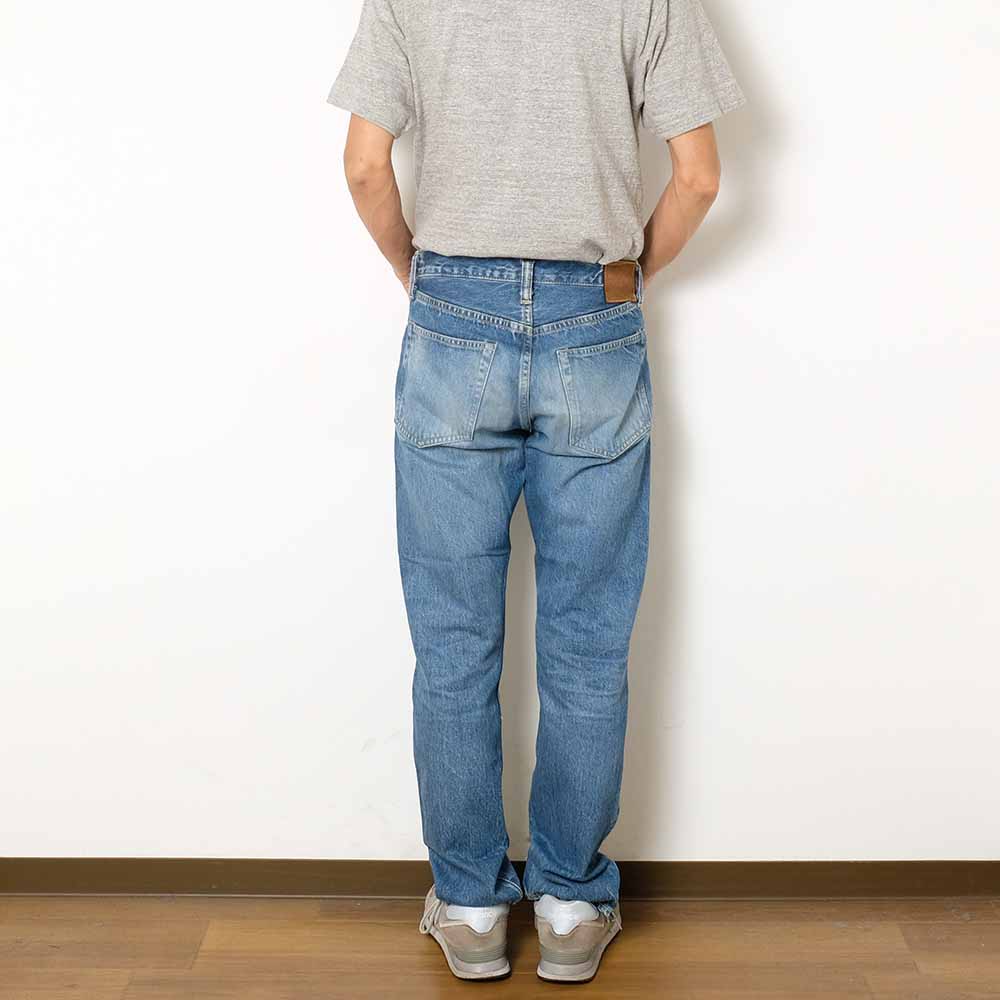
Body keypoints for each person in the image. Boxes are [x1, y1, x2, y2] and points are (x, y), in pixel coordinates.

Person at [328, 0, 744, 983]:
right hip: (593, 316)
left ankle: (472, 905)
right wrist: (626, 281)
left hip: (451, 313)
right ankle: (568, 903)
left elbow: (364, 163)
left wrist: (420, 274)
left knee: (452, 647)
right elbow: (699, 175)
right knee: (588, 646)